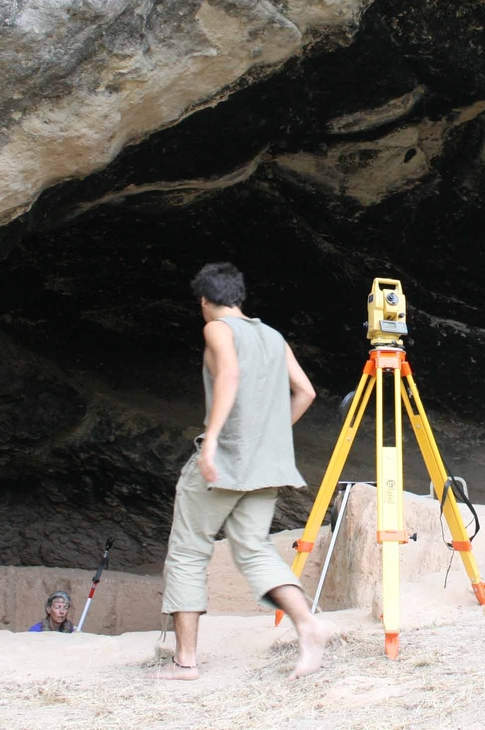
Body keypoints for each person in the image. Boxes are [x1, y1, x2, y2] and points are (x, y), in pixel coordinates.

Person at [157, 262, 331, 680]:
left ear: (204, 300)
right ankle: (307, 625)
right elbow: (305, 391)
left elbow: (229, 374)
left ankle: (185, 662)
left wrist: (213, 439)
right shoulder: (272, 335)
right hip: (265, 468)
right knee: (253, 549)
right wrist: (268, 437)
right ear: (240, 297)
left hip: (226, 464)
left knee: (187, 552)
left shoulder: (217, 328)